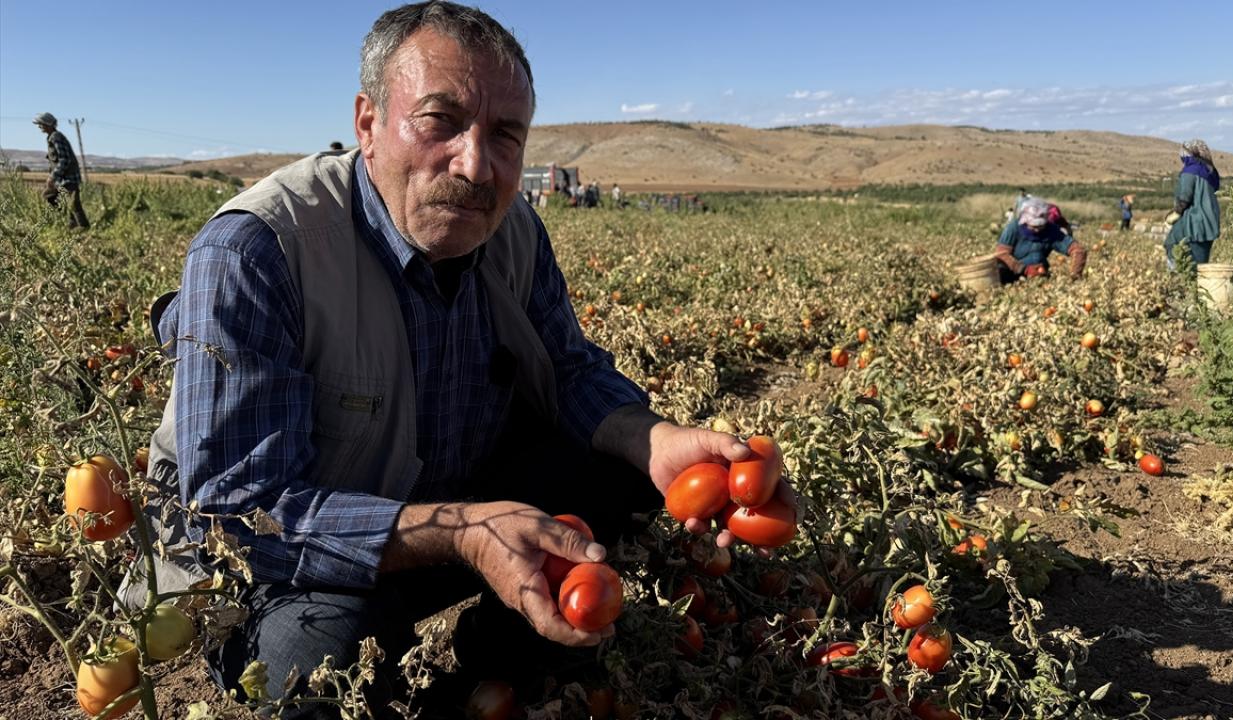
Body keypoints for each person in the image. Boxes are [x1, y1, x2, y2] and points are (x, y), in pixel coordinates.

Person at [143, 2, 798, 714]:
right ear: (368, 123)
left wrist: (658, 440)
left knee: (623, 464)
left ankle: (497, 659)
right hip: (303, 561)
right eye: (441, 121)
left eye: (506, 135)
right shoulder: (258, 251)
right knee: (312, 664)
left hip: (461, 509)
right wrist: (463, 531)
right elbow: (238, 518)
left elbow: (569, 368)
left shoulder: (513, 229)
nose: (476, 165)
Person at [993, 196, 1087, 283]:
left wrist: (1075, 275)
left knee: (1037, 260)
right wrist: (1023, 269)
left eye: (1040, 225)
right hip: (1012, 274)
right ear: (1025, 221)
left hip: (1039, 275)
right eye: (1033, 226)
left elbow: (1077, 250)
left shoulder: (1050, 230)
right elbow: (1001, 254)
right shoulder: (1013, 228)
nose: (1037, 229)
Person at [1163, 139, 1221, 268]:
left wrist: (1174, 214)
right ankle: (1197, 286)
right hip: (1210, 223)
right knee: (1201, 264)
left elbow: (1185, 197)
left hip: (1193, 222)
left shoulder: (1190, 171)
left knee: (1173, 246)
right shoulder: (1210, 170)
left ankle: (1178, 282)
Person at [32, 112, 90, 229]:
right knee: (50, 196)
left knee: (73, 203)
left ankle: (83, 227)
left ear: (48, 124)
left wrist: (53, 176)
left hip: (69, 178)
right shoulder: (51, 137)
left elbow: (64, 159)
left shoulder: (56, 137)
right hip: (62, 179)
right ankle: (71, 223)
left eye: (41, 124)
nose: (39, 127)